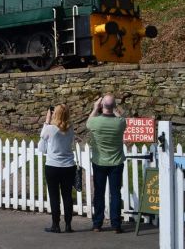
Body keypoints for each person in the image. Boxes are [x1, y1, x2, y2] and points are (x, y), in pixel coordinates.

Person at [86, 94, 127, 234]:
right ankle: (116, 224)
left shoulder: (94, 122)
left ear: (102, 105)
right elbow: (120, 117)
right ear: (114, 106)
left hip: (99, 162)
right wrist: (113, 107)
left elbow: (88, 122)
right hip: (116, 162)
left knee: (99, 193)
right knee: (115, 193)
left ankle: (97, 223)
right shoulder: (121, 122)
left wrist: (95, 108)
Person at [39, 104, 77, 234]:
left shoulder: (50, 129)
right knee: (67, 196)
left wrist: (47, 120)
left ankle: (56, 224)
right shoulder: (71, 129)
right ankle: (68, 225)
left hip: (53, 166)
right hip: (68, 166)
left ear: (56, 114)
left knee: (54, 196)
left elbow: (41, 145)